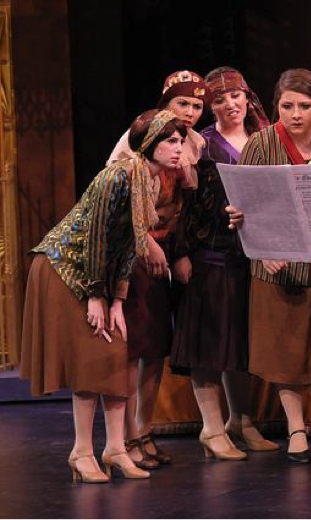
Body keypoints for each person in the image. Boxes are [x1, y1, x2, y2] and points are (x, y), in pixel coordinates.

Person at [19, 109, 186, 482]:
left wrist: (119, 301)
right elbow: (97, 236)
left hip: (98, 274)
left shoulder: (148, 181)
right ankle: (81, 452)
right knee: (94, 357)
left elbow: (128, 245)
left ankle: (114, 448)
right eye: (171, 141)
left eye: (180, 141)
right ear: (149, 144)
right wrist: (97, 296)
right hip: (64, 268)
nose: (179, 148)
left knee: (115, 353)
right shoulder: (118, 176)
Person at [228, 69, 311, 463]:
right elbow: (244, 203)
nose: (296, 114)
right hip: (279, 264)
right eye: (287, 106)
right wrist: (252, 233)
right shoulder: (261, 144)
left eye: (304, 105)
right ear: (276, 106)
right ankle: (296, 428)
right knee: (286, 351)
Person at [169, 66, 274, 461]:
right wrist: (180, 252)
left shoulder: (264, 140)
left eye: (236, 95)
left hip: (251, 258)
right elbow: (182, 204)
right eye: (220, 99)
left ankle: (241, 422)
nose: (230, 104)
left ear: (248, 97)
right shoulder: (201, 144)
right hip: (208, 255)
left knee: (240, 343)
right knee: (208, 343)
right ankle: (211, 428)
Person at [107, 70, 209, 469]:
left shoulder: (194, 144)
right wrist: (146, 242)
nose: (189, 112)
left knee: (155, 348)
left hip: (165, 248)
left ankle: (144, 429)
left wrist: (177, 251)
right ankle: (126, 437)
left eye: (197, 106)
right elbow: (119, 200)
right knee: (133, 347)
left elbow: (187, 206)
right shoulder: (139, 138)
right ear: (165, 103)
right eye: (182, 103)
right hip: (133, 252)